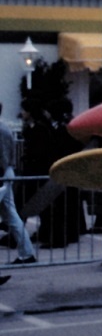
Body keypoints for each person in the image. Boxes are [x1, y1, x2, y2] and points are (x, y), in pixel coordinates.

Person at [1, 102, 38, 264]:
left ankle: (27, 252)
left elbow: (2, 157)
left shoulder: (1, 130)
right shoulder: (4, 129)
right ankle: (27, 252)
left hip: (1, 173)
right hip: (5, 172)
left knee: (11, 214)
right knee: (11, 214)